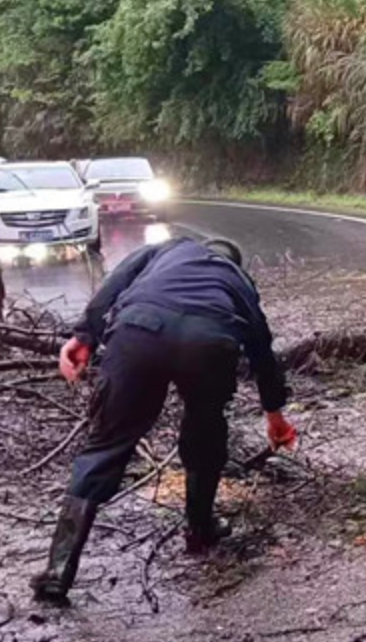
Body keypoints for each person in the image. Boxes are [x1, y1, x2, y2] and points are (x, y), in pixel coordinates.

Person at [31, 236, 297, 605]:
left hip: (139, 330)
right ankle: (200, 530)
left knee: (106, 446)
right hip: (210, 340)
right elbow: (262, 353)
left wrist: (85, 336)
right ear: (235, 262)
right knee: (205, 431)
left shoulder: (170, 249)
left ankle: (58, 573)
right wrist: (274, 415)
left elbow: (118, 279)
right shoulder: (239, 281)